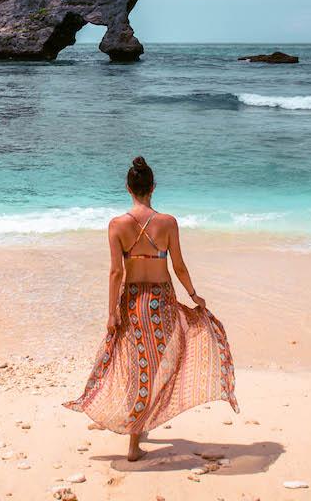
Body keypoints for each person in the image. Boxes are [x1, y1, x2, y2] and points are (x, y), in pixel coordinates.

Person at [64, 156, 238, 461]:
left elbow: (116, 273)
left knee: (136, 367)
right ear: (152, 187)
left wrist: (110, 313)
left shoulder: (117, 225)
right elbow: (179, 266)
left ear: (128, 188)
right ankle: (137, 432)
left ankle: (136, 433)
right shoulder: (168, 222)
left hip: (132, 302)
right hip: (161, 303)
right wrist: (194, 295)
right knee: (159, 365)